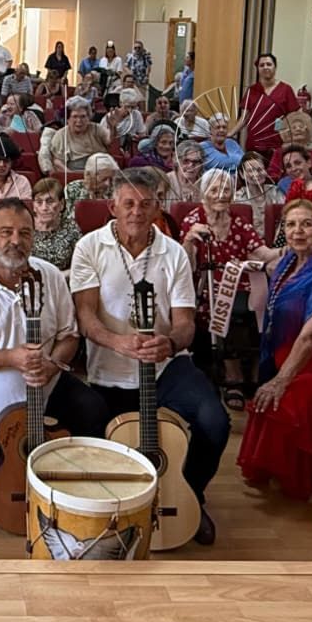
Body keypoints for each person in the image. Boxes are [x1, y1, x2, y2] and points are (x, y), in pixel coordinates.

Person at [71, 167, 229, 545]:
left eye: (146, 204)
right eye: (128, 204)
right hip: (109, 369)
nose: (137, 212)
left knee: (215, 421)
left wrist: (170, 343)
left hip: (165, 366)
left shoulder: (173, 253)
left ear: (158, 206)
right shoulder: (88, 248)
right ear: (112, 207)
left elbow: (186, 323)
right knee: (101, 446)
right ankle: (112, 511)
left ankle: (188, 494)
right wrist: (117, 341)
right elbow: (86, 317)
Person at [0, 198, 110, 500]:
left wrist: (52, 364)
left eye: (25, 233)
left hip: (46, 388)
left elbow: (69, 336)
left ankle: (78, 487)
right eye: (6, 232)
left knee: (93, 409)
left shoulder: (50, 275)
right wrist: (11, 358)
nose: (16, 241)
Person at [236, 198, 312, 502]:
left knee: (288, 398)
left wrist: (281, 378)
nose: (298, 231)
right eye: (291, 224)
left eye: (307, 224)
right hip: (291, 356)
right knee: (266, 396)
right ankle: (276, 469)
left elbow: (311, 336)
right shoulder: (286, 261)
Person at [180, 170, 280, 411]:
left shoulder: (238, 221)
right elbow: (186, 265)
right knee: (226, 305)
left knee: (264, 303)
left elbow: (262, 253)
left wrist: (288, 250)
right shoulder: (194, 221)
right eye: (215, 189)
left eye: (226, 190)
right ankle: (232, 375)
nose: (221, 195)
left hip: (242, 281)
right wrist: (189, 241)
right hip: (208, 284)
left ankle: (256, 369)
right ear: (204, 193)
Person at [235, 52, 300, 158]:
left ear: (275, 67)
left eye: (269, 64)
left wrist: (290, 139)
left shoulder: (286, 89)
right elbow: (244, 117)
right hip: (254, 144)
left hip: (277, 144)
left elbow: (295, 117)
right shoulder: (252, 90)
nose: (265, 67)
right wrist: (230, 133)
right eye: (262, 65)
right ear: (258, 69)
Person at [37, 97, 111, 178]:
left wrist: (113, 128)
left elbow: (110, 141)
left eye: (83, 116)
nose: (79, 120)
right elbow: (57, 163)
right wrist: (73, 176)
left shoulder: (97, 128)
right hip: (73, 174)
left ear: (89, 117)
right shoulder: (60, 135)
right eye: (75, 116)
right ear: (68, 119)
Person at [29, 177, 80, 270]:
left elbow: (81, 265)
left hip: (62, 280)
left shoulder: (70, 228)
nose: (44, 208)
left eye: (50, 201)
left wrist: (59, 277)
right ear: (33, 206)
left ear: (61, 204)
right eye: (39, 202)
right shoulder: (25, 227)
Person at [235, 154, 284, 242]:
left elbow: (284, 219)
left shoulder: (275, 191)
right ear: (242, 174)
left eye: (260, 169)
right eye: (250, 170)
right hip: (249, 244)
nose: (256, 174)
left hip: (277, 242)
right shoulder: (237, 198)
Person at [163, 138, 207, 210]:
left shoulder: (206, 184)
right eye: (186, 161)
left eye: (196, 162)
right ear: (176, 161)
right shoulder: (165, 181)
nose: (191, 165)